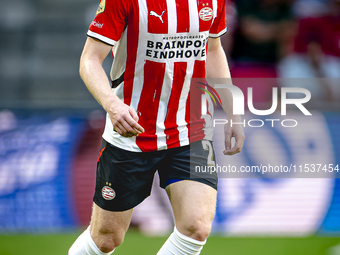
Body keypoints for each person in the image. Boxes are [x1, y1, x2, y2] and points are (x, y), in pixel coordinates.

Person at [68, 0, 245, 254]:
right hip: (131, 133)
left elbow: (213, 48)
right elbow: (90, 59)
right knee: (106, 238)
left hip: (190, 129)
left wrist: (233, 112)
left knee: (196, 227)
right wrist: (112, 105)